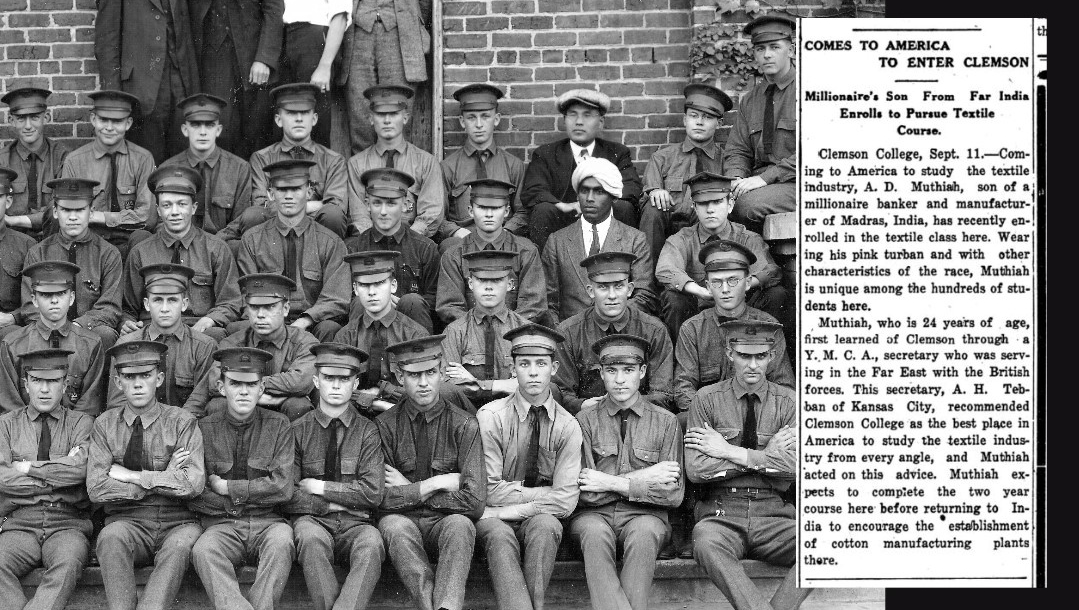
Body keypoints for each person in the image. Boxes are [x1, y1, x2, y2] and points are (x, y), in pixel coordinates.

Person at [684, 319, 808, 610]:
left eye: (760, 356)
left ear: (772, 356)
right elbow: (698, 470)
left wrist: (729, 451)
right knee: (704, 541)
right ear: (730, 354)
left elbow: (795, 468)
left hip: (773, 515)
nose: (752, 365)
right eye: (744, 356)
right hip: (722, 513)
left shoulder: (789, 402)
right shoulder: (706, 400)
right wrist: (766, 458)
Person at [87, 340, 206, 610]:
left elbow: (192, 484)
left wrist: (132, 476)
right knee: (110, 537)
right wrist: (164, 476)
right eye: (129, 377)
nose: (138, 384)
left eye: (146, 376)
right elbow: (97, 487)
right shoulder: (105, 425)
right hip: (129, 521)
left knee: (178, 548)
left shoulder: (181, 421)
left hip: (178, 522)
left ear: (159, 378)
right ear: (118, 382)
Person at [571, 334, 684, 610]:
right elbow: (585, 492)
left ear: (643, 372)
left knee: (644, 533)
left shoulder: (666, 422)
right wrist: (647, 477)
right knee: (594, 534)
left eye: (628, 370)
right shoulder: (584, 421)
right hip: (593, 516)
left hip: (647, 516)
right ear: (601, 373)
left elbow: (672, 497)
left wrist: (608, 482)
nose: (620, 380)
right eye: (611, 370)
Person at [475, 323, 582, 610]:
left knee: (546, 526)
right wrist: (542, 496)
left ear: (554, 367)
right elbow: (489, 490)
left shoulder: (568, 425)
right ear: (512, 369)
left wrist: (510, 509)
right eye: (524, 364)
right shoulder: (491, 417)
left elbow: (566, 502)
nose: (533, 372)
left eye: (541, 363)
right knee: (498, 534)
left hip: (527, 515)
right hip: (495, 520)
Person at [376, 334, 486, 610]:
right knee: (392, 526)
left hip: (445, 520)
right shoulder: (384, 426)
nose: (423, 383)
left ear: (441, 373)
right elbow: (380, 499)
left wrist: (409, 488)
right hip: (404, 520)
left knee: (461, 526)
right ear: (400, 377)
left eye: (430, 373)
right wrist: (434, 484)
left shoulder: (465, 425)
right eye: (414, 375)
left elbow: (474, 502)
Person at [189, 347, 296, 610]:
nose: (244, 391)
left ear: (262, 388)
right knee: (203, 550)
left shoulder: (279, 425)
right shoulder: (203, 428)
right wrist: (242, 501)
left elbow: (282, 488)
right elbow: (196, 492)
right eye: (235, 383)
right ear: (221, 387)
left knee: (283, 541)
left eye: (251, 384)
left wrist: (227, 488)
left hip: (268, 523)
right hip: (222, 525)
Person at [283, 343, 387, 610]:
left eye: (345, 379)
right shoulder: (297, 430)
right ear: (316, 381)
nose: (337, 386)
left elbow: (372, 493)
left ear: (355, 384)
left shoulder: (368, 431)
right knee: (309, 538)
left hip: (356, 524)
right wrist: (330, 504)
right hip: (313, 520)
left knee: (373, 543)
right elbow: (288, 493)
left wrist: (319, 486)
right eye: (329, 378)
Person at [0, 349, 94, 610]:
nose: (44, 389)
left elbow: (81, 470)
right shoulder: (5, 425)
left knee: (68, 562)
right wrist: (59, 472)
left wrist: (27, 467)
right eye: (37, 381)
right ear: (25, 383)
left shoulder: (81, 423)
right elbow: (2, 478)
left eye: (52, 381)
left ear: (64, 385)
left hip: (67, 523)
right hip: (20, 523)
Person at [656, 171, 785, 342]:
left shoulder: (747, 237)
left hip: (742, 309)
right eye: (702, 204)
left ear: (730, 204)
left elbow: (771, 271)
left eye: (717, 202)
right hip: (698, 314)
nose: (710, 210)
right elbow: (665, 270)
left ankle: (764, 351)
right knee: (674, 300)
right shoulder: (682, 239)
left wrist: (743, 286)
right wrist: (700, 291)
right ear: (694, 207)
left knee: (777, 294)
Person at [122, 164, 242, 343]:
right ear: (158, 210)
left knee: (215, 337)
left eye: (182, 204)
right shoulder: (140, 252)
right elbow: (128, 307)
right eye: (167, 205)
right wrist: (127, 322)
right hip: (152, 330)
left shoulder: (215, 249)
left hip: (199, 329)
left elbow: (231, 302)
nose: (175, 212)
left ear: (193, 208)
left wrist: (210, 319)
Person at [674, 239, 794, 414]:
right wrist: (715, 417)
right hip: (710, 418)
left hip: (758, 416)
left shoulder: (769, 327)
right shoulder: (693, 329)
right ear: (707, 286)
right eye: (717, 282)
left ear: (747, 283)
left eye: (733, 281)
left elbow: (784, 386)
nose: (724, 289)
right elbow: (683, 388)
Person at [237, 159, 351, 341]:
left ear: (309, 192)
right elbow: (246, 293)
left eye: (296, 189)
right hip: (265, 320)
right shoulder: (252, 239)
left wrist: (305, 320)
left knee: (330, 328)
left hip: (311, 324)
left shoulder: (330, 242)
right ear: (271, 194)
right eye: (282, 190)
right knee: (239, 328)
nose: (288, 196)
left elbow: (336, 298)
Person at [521, 89, 643, 252]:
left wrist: (601, 204)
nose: (579, 121)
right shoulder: (546, 154)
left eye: (587, 115)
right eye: (572, 114)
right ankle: (546, 273)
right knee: (543, 210)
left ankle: (619, 267)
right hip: (563, 222)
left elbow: (632, 187)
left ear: (600, 122)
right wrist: (562, 205)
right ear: (564, 120)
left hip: (604, 220)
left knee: (624, 207)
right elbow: (533, 190)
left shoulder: (617, 153)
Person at [554, 251, 674, 414]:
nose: (612, 296)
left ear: (630, 289)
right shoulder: (568, 332)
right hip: (588, 419)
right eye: (603, 287)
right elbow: (561, 392)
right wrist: (582, 405)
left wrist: (623, 404)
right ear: (590, 290)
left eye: (618, 286)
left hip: (641, 418)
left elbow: (662, 394)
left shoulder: (653, 331)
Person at [541, 157, 655, 322]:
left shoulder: (634, 240)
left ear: (614, 197)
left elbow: (644, 296)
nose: (589, 198)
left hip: (619, 335)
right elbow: (548, 301)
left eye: (599, 191)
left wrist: (610, 319)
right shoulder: (557, 241)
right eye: (584, 190)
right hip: (571, 338)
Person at [22, 177, 124, 350]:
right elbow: (29, 306)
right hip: (46, 329)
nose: (73, 217)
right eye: (66, 210)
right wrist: (57, 328)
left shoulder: (108, 253)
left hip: (89, 330)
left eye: (80, 210)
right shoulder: (38, 253)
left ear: (91, 212)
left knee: (105, 334)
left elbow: (110, 308)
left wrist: (77, 327)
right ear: (55, 211)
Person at [94, 0, 200, 163]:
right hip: (141, 87)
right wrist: (114, 98)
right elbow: (107, 39)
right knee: (147, 159)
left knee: (182, 161)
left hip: (181, 82)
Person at [640, 83, 732, 265]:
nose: (699, 122)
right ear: (684, 120)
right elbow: (646, 200)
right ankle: (648, 284)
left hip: (707, 230)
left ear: (719, 123)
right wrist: (655, 191)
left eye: (707, 117)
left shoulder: (727, 160)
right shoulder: (662, 158)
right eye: (694, 116)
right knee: (652, 208)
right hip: (668, 228)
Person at [242, 83, 350, 239]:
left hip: (318, 235)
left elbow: (336, 206)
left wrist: (287, 206)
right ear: (278, 120)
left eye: (305, 112)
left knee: (333, 215)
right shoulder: (261, 158)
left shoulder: (333, 160)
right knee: (253, 215)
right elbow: (260, 204)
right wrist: (314, 205)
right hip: (274, 233)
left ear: (314, 119)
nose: (299, 119)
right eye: (291, 113)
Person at [205, 273, 319, 421]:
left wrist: (250, 385)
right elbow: (215, 381)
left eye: (270, 307)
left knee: (298, 405)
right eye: (254, 307)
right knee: (217, 405)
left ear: (285, 308)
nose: (260, 315)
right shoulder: (233, 342)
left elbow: (301, 382)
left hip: (282, 407)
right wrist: (259, 396)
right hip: (244, 405)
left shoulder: (304, 342)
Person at [109, 264, 218, 417]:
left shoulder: (204, 347)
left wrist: (170, 430)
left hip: (184, 430)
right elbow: (117, 404)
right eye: (158, 300)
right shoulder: (126, 345)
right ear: (147, 304)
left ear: (184, 304)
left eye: (172, 300)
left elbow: (197, 404)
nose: (165, 308)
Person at [436, 178, 547, 326]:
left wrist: (504, 330)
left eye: (495, 208)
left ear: (506, 211)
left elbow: (533, 305)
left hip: (513, 336)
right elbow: (450, 307)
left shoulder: (526, 251)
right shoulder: (454, 255)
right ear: (470, 211)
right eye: (482, 207)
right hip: (468, 338)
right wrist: (479, 330)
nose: (489, 214)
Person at [0, 261, 105, 416]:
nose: (54, 301)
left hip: (75, 435)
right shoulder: (13, 344)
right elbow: (11, 407)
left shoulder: (90, 344)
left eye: (61, 293)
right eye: (46, 294)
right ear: (34, 300)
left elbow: (88, 408)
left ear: (72, 298)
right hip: (25, 435)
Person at [60, 91, 157, 258]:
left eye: (117, 121)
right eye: (103, 120)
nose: (109, 128)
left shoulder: (143, 159)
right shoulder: (75, 161)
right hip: (90, 240)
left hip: (129, 240)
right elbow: (67, 213)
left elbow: (147, 217)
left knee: (143, 239)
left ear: (128, 123)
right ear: (93, 120)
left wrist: (101, 217)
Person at [722, 16, 798, 230]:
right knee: (714, 202)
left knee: (746, 206)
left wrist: (765, 179)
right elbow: (738, 149)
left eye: (775, 47)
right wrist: (735, 179)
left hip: (800, 183)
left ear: (790, 50)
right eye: (760, 48)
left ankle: (762, 264)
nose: (767, 54)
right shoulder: (751, 99)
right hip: (762, 183)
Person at [345, 169, 439, 332]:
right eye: (377, 203)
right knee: (360, 302)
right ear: (367, 205)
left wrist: (401, 303)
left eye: (391, 203)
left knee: (413, 301)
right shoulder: (354, 249)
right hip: (367, 328)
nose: (383, 212)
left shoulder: (425, 248)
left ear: (405, 205)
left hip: (411, 329)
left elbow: (434, 298)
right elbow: (346, 298)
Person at [347, 85, 445, 239]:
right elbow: (359, 216)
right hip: (371, 242)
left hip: (413, 240)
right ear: (371, 119)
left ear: (405, 117)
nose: (387, 121)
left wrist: (407, 241)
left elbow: (431, 212)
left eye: (393, 114)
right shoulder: (356, 164)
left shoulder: (426, 162)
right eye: (380, 114)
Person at [189, 0, 283, 160]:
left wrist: (264, 58)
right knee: (221, 127)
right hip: (213, 56)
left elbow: (274, 8)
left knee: (256, 131)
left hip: (254, 56)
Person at [439, 83, 528, 249]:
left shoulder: (513, 165)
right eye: (471, 117)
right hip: (463, 238)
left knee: (527, 247)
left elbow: (522, 212)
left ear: (496, 119)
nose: (479, 124)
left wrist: (506, 231)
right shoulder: (448, 167)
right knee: (449, 247)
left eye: (485, 116)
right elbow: (439, 216)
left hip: (504, 236)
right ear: (462, 121)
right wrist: (456, 232)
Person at [443, 250, 530, 405]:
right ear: (470, 283)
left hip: (515, 413)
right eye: (481, 280)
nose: (488, 287)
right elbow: (449, 385)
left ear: (510, 284)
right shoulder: (455, 331)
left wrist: (475, 382)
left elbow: (532, 383)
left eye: (496, 280)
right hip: (468, 415)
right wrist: (503, 385)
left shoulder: (525, 330)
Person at [343, 0, 431, 153]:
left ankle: (399, 171)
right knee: (360, 111)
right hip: (357, 33)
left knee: (398, 106)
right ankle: (363, 170)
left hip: (400, 32)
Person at [161, 93, 255, 236]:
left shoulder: (239, 168)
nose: (203, 132)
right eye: (195, 125)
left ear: (218, 130)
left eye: (210, 125)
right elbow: (160, 220)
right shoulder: (168, 169)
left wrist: (214, 245)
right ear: (185, 130)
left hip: (223, 245)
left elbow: (241, 220)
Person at [279, 2, 350, 149]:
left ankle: (318, 170)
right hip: (283, 37)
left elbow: (340, 16)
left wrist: (324, 65)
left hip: (314, 40)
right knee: (285, 116)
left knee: (314, 117)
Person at [1, 87, 69, 240]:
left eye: (34, 117)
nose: (28, 126)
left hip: (53, 240)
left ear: (46, 117)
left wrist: (14, 220)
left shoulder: (62, 157)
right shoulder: (2, 161)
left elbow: (61, 209)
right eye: (21, 118)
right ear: (11, 120)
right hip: (12, 240)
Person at [0, 168, 37, 338]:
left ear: (7, 201)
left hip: (9, 327)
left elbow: (36, 300)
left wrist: (13, 317)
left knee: (15, 338)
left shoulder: (27, 245)